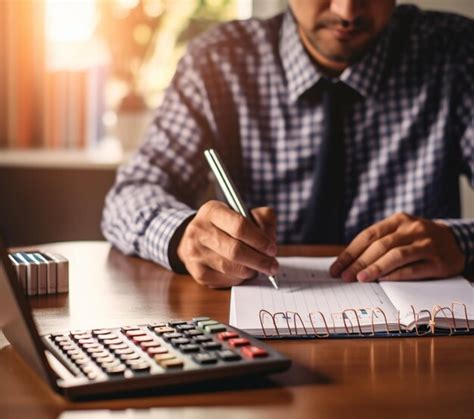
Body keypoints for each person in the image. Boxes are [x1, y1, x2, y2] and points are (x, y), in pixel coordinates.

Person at [102, 0, 473, 288]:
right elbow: (129, 196)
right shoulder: (217, 63)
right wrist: (184, 237)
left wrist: (460, 242)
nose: (347, 11)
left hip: (421, 343)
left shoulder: (457, 54)